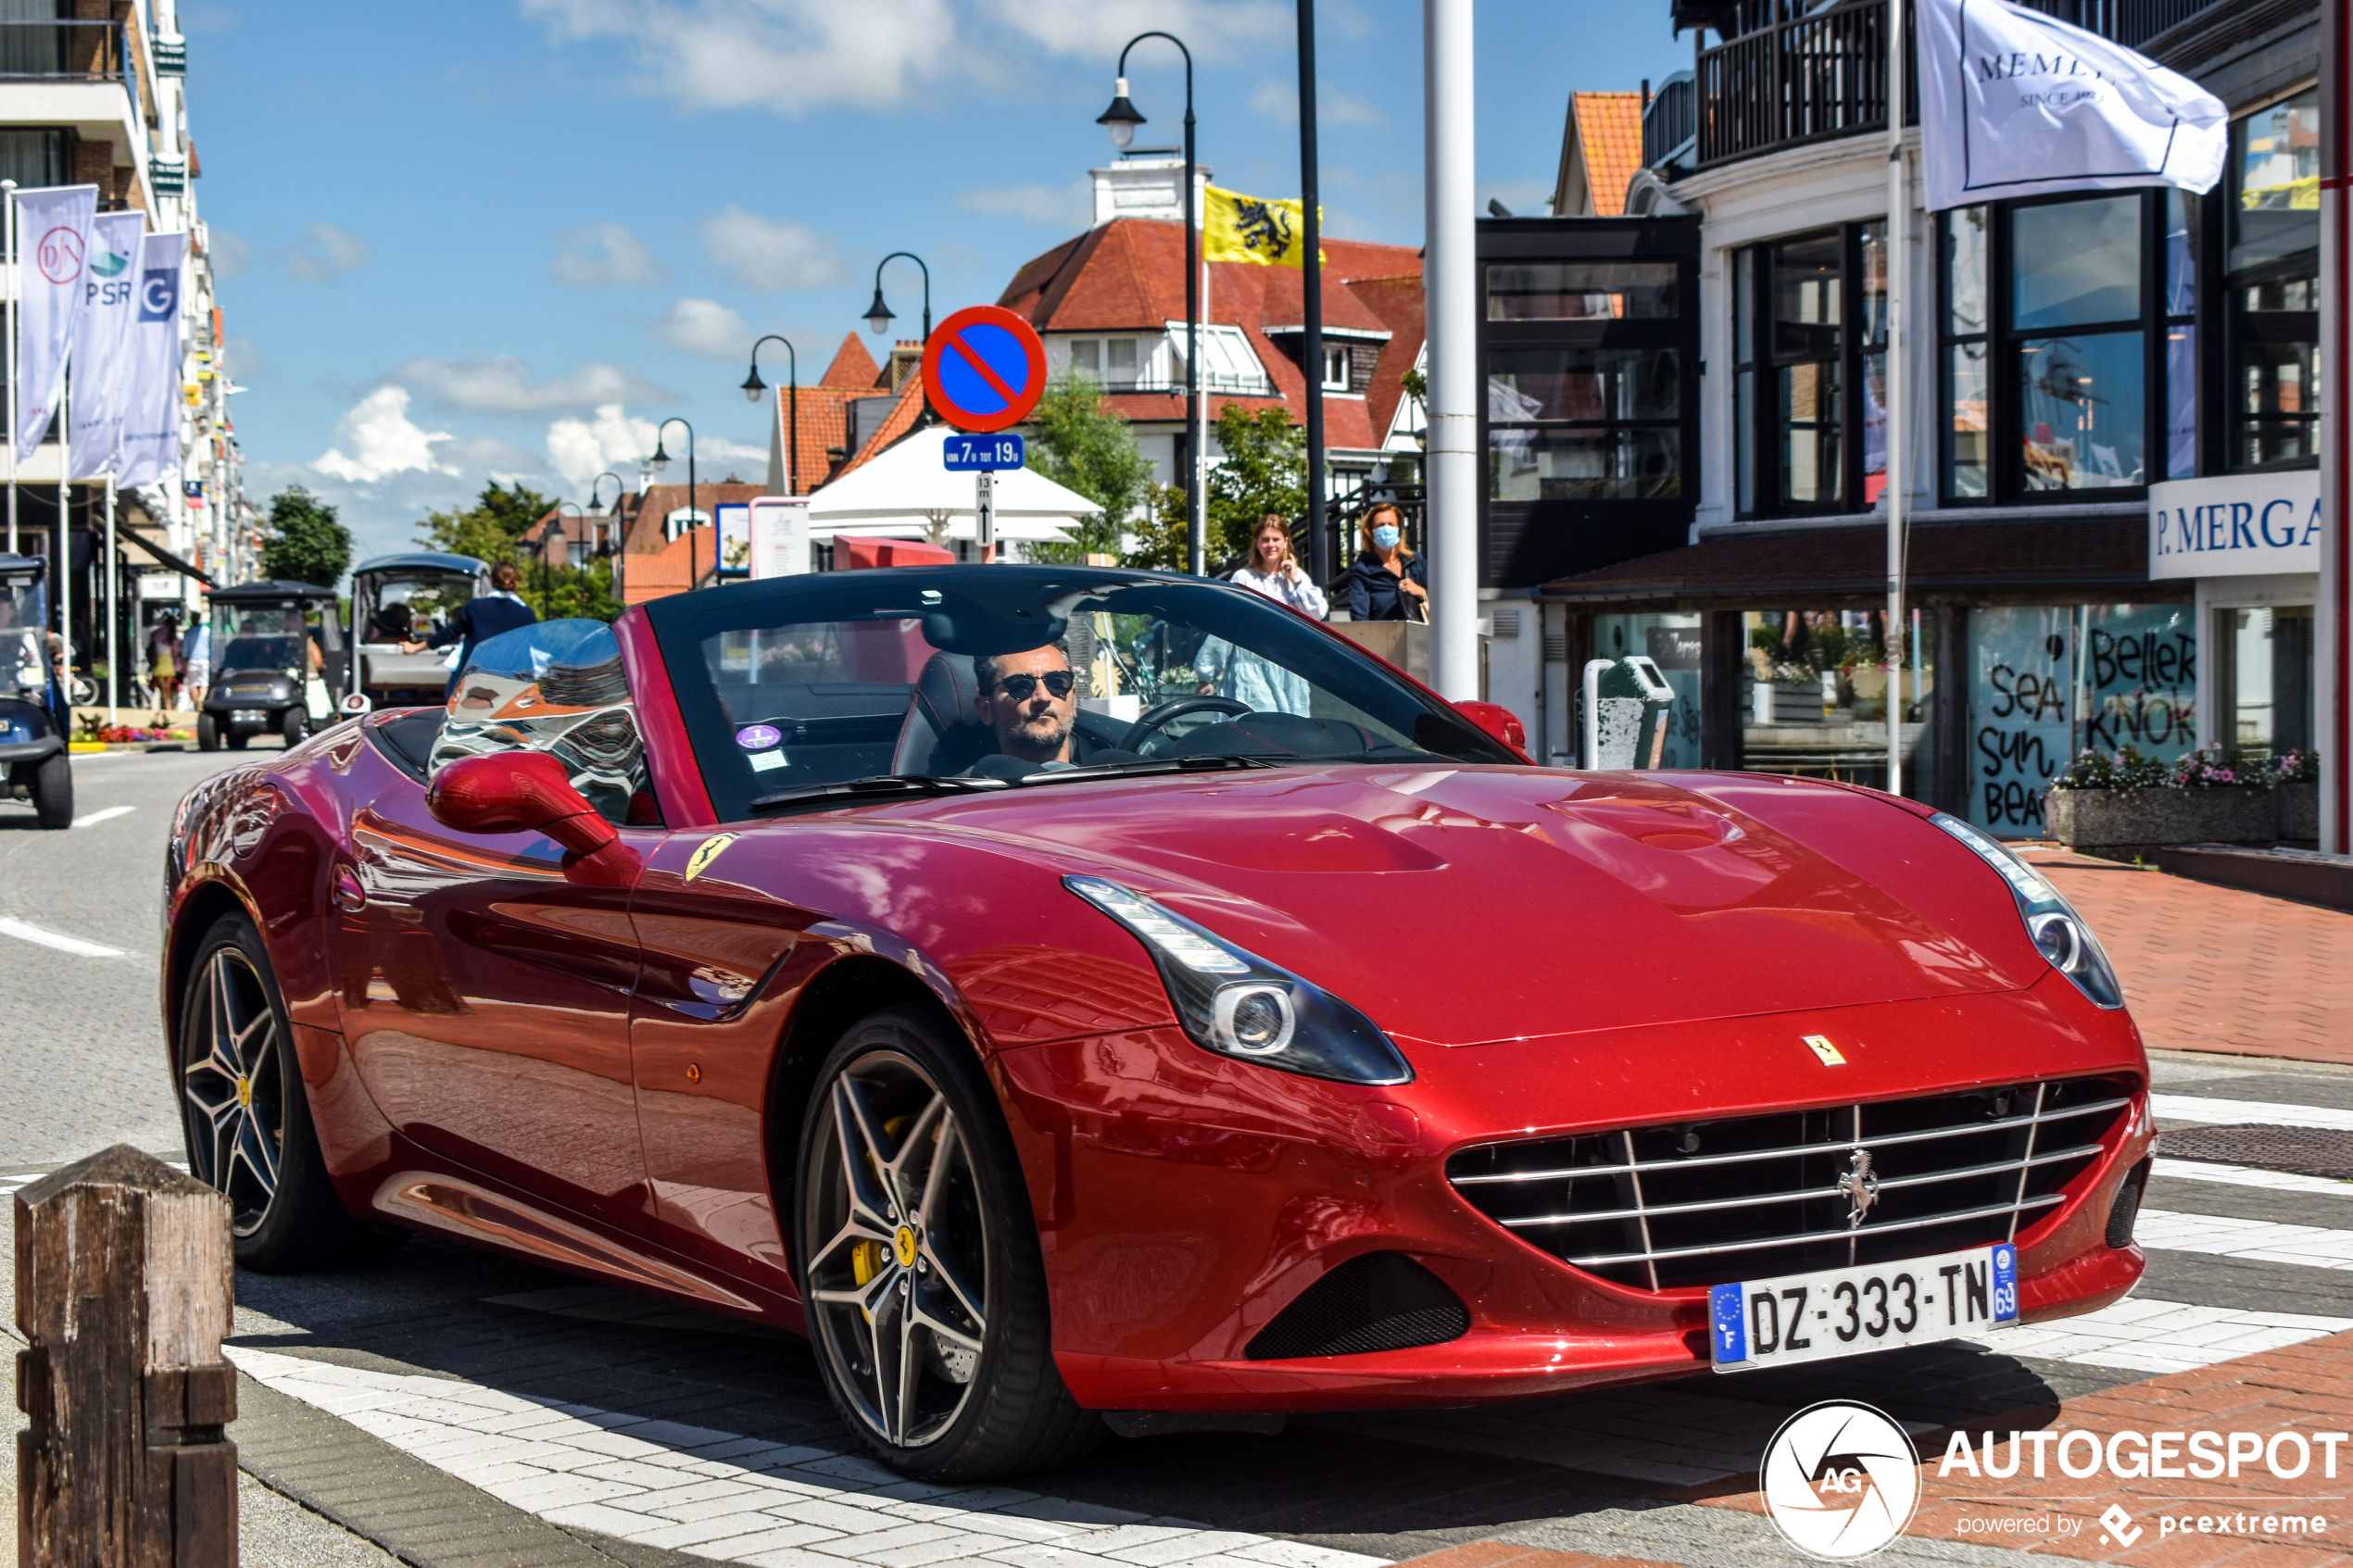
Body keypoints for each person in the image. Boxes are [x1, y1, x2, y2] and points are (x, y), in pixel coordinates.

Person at [1193, 515, 1323, 716]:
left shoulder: (1298, 579)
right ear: (1256, 544)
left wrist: (1295, 580)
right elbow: (1227, 626)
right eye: (1265, 539)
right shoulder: (1243, 578)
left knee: (1292, 735)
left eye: (1275, 539)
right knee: (1254, 730)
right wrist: (1207, 675)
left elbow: (1317, 614)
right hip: (1252, 672)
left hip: (1291, 671)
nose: (1270, 545)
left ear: (1286, 541)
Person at [403, 561, 536, 698]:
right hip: (513, 683)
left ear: (492, 581)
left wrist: (416, 648)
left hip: (476, 681)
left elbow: (449, 633)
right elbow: (537, 648)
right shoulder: (527, 614)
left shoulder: (476, 607)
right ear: (516, 582)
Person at [972, 642, 1080, 769]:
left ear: (1073, 701)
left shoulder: (1103, 780)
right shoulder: (965, 788)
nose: (1043, 697)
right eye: (1020, 686)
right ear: (986, 710)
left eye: (1057, 683)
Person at [1342, 503, 1428, 621]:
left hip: (1419, 636)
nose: (1387, 530)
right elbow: (1359, 617)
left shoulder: (1415, 562)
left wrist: (1420, 592)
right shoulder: (1362, 569)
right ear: (1370, 532)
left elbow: (1442, 600)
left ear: (1398, 529)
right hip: (1384, 636)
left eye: (1391, 525)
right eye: (1381, 525)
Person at [181, 616, 210, 711]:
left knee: (192, 684)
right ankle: (201, 699)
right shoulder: (207, 630)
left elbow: (185, 649)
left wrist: (183, 663)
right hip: (205, 660)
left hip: (192, 660)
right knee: (204, 683)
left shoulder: (188, 632)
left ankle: (196, 705)